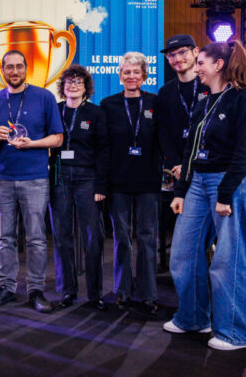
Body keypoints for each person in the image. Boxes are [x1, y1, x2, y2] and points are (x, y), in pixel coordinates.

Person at [165, 41, 246, 351]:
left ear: (218, 65)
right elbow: (191, 150)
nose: (196, 68)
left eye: (201, 63)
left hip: (229, 184)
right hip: (197, 182)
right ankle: (193, 319)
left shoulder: (243, 101)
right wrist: (180, 191)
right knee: (183, 254)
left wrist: (225, 193)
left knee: (228, 260)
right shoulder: (204, 101)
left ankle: (236, 333)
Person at [0, 50, 64, 313]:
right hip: (2, 179)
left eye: (19, 66)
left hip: (35, 179)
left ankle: (36, 290)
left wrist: (32, 144)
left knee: (36, 238)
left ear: (26, 68)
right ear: (3, 70)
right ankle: (6, 287)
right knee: (5, 238)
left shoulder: (44, 97)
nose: (15, 71)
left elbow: (58, 138)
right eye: (9, 67)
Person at [100, 51, 161, 316]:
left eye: (136, 72)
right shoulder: (108, 105)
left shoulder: (155, 103)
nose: (131, 76)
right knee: (122, 238)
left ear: (144, 75)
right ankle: (122, 291)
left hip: (148, 181)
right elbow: (103, 146)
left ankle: (149, 294)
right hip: (118, 182)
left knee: (148, 238)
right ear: (120, 76)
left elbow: (162, 139)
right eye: (127, 72)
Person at [49, 64, 109, 310]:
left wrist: (101, 185)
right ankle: (67, 291)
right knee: (62, 236)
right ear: (63, 86)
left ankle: (95, 294)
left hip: (88, 178)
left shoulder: (96, 113)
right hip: (60, 176)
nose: (73, 85)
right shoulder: (55, 110)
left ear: (86, 88)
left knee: (93, 237)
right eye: (69, 81)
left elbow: (104, 150)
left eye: (78, 82)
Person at [158, 35, 209, 180]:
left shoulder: (210, 86)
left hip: (206, 167)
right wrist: (177, 164)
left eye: (182, 52)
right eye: (171, 55)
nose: (177, 59)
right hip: (176, 171)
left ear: (196, 52)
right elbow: (163, 133)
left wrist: (189, 165)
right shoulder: (165, 92)